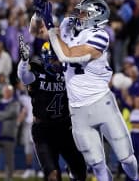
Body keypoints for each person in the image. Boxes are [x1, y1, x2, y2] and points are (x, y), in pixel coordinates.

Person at [36, 0, 138, 181]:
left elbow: (68, 55)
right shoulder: (67, 27)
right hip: (77, 109)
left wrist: (51, 27)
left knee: (126, 158)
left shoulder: (100, 35)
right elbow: (40, 32)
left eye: (84, 13)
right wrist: (39, 16)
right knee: (97, 165)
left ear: (96, 17)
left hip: (101, 102)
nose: (79, 15)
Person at [18, 20, 87, 181]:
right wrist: (23, 61)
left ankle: (72, 170)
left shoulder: (69, 70)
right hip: (43, 129)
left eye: (59, 59)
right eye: (54, 60)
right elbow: (24, 76)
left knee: (80, 172)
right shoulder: (36, 69)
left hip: (65, 126)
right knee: (52, 175)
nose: (57, 64)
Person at [0, 84, 21, 181]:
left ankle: (9, 178)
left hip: (8, 135)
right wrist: (2, 116)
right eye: (5, 91)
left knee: (9, 160)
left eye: (8, 91)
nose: (6, 92)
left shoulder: (15, 103)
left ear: (12, 92)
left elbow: (11, 113)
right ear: (2, 92)